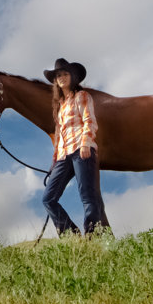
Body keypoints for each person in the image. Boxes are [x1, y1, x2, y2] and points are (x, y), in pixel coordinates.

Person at [41, 58, 110, 236]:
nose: (62, 77)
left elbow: (89, 121)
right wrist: (54, 161)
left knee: (88, 196)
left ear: (72, 77)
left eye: (65, 74)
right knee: (48, 198)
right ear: (55, 81)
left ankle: (92, 237)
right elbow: (59, 138)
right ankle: (71, 235)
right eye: (58, 75)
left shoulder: (82, 96)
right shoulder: (60, 107)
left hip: (82, 149)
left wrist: (86, 143)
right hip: (64, 156)